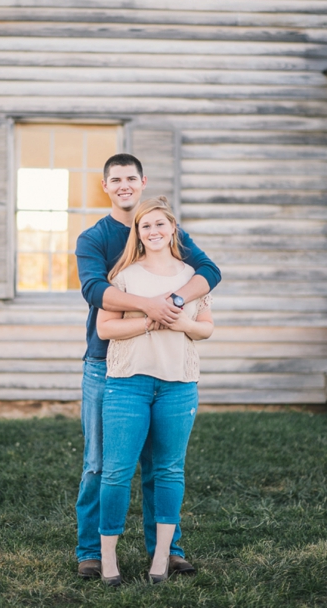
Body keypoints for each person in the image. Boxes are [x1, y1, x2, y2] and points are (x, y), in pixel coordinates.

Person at [75, 153, 221, 579]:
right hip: (107, 365)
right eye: (115, 179)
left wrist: (175, 303)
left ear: (142, 182)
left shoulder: (163, 227)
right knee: (102, 465)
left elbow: (208, 271)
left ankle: (168, 550)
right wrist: (151, 308)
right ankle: (91, 552)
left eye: (131, 178)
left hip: (168, 368)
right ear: (106, 186)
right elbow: (96, 291)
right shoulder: (95, 238)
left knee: (163, 465)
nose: (124, 185)